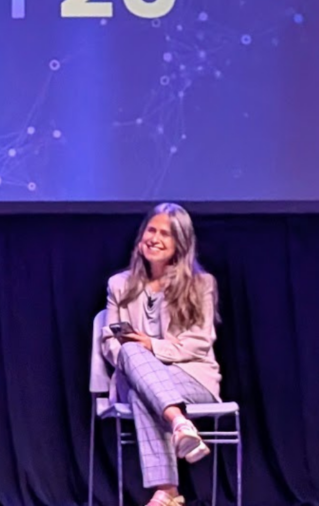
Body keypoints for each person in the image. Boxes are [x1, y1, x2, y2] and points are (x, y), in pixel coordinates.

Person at [100, 203, 222, 506]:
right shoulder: (119, 285)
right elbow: (110, 342)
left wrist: (152, 346)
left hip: (193, 378)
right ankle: (179, 423)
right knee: (129, 350)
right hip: (133, 374)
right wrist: (138, 353)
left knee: (142, 390)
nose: (154, 238)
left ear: (180, 243)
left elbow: (198, 344)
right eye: (150, 230)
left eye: (165, 234)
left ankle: (167, 492)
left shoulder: (201, 284)